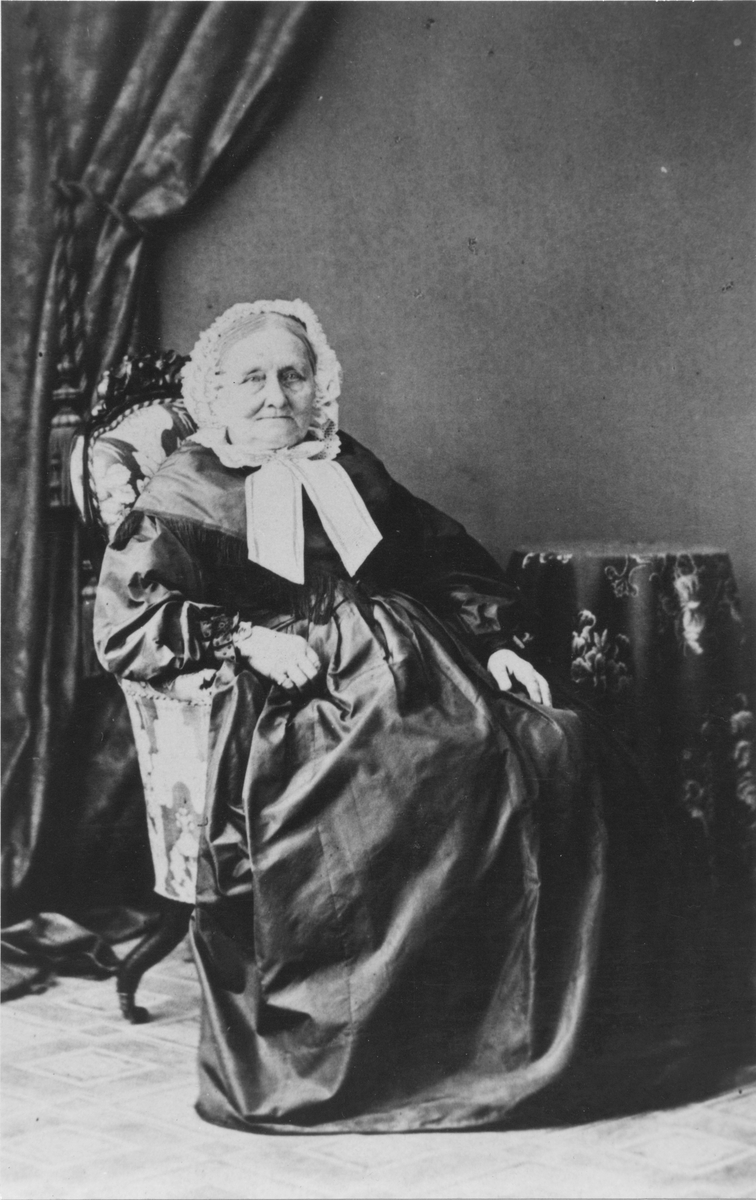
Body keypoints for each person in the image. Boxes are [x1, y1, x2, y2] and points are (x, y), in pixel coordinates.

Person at [94, 300, 675, 1134]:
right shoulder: (185, 489)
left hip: (429, 665)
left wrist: (497, 644)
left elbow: (443, 561)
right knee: (417, 776)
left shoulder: (345, 462)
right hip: (295, 695)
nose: (275, 396)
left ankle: (532, 1029)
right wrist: (245, 638)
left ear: (319, 384)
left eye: (293, 375)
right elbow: (129, 620)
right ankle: (408, 1048)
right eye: (252, 379)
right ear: (216, 392)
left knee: (561, 748)